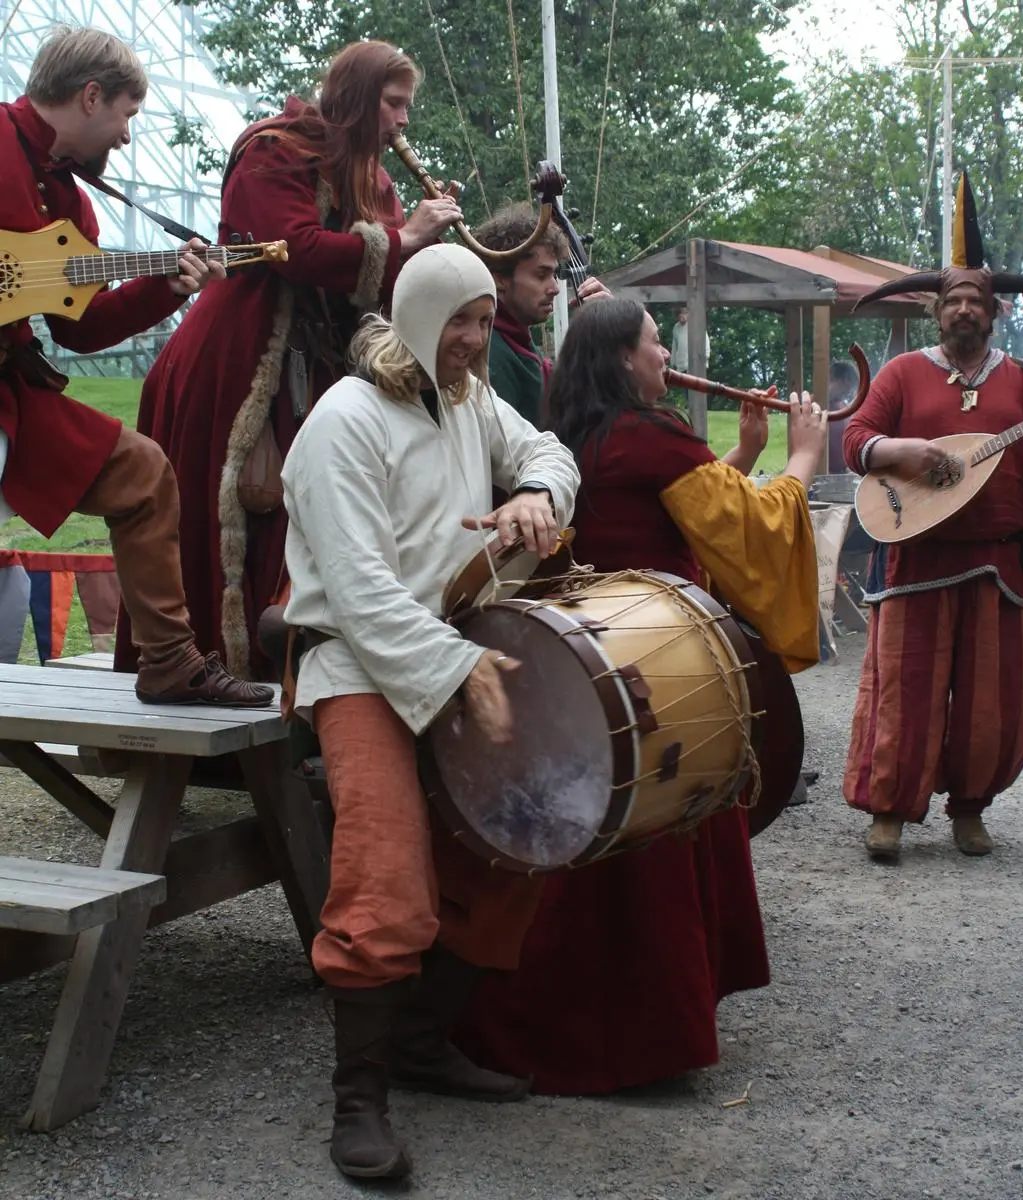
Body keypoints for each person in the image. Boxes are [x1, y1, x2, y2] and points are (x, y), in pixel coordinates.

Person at [454, 297, 828, 1094]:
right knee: (655, 835)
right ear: (625, 357)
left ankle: (548, 1015)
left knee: (585, 841)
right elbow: (750, 529)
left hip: (593, 664)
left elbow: (674, 511)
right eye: (658, 344)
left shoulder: (574, 439)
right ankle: (638, 1038)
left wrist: (741, 453)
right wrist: (800, 459)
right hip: (657, 673)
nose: (667, 357)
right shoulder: (652, 435)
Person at [280, 242, 579, 1178]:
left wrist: (535, 492)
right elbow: (362, 595)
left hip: (450, 653)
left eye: (486, 321)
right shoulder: (344, 420)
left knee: (523, 841)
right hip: (359, 669)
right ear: (416, 317)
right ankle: (356, 1100)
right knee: (381, 880)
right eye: (460, 321)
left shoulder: (466, 400)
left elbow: (546, 449)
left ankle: (416, 1043)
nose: (476, 341)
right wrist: (458, 671)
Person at [115, 40, 465, 681]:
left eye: (407, 106)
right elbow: (290, 249)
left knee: (310, 518)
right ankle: (209, 684)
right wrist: (404, 237)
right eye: (393, 104)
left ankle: (300, 700)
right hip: (238, 361)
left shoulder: (376, 179)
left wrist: (421, 253)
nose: (404, 121)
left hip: (323, 367)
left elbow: (374, 285)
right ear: (358, 98)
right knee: (235, 514)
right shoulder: (275, 149)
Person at [0, 27, 270, 705]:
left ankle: (171, 662)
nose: (126, 136)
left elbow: (81, 329)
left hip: (10, 385)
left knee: (141, 471)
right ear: (91, 97)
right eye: (126, 114)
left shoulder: (72, 203)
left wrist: (168, 286)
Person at [841, 173, 1023, 861]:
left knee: (989, 702)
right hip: (916, 554)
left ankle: (969, 809)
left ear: (994, 312)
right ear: (935, 310)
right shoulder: (900, 376)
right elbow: (857, 443)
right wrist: (907, 452)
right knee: (904, 692)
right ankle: (888, 810)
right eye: (953, 299)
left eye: (976, 299)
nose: (964, 310)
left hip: (999, 562)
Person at [470, 201, 609, 427]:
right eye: (541, 275)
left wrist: (613, 326)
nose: (554, 287)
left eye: (554, 274)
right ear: (499, 279)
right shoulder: (488, 353)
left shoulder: (519, 345)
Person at [825, 358, 858, 473]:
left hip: (841, 472)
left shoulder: (844, 408)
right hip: (817, 474)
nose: (849, 392)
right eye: (849, 387)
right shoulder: (811, 404)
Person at [670, 304, 711, 374]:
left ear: (689, 314)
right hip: (681, 365)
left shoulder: (696, 324)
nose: (682, 315)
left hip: (696, 364)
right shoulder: (676, 327)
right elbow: (674, 346)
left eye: (684, 313)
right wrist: (673, 362)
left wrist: (705, 357)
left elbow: (705, 341)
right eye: (680, 313)